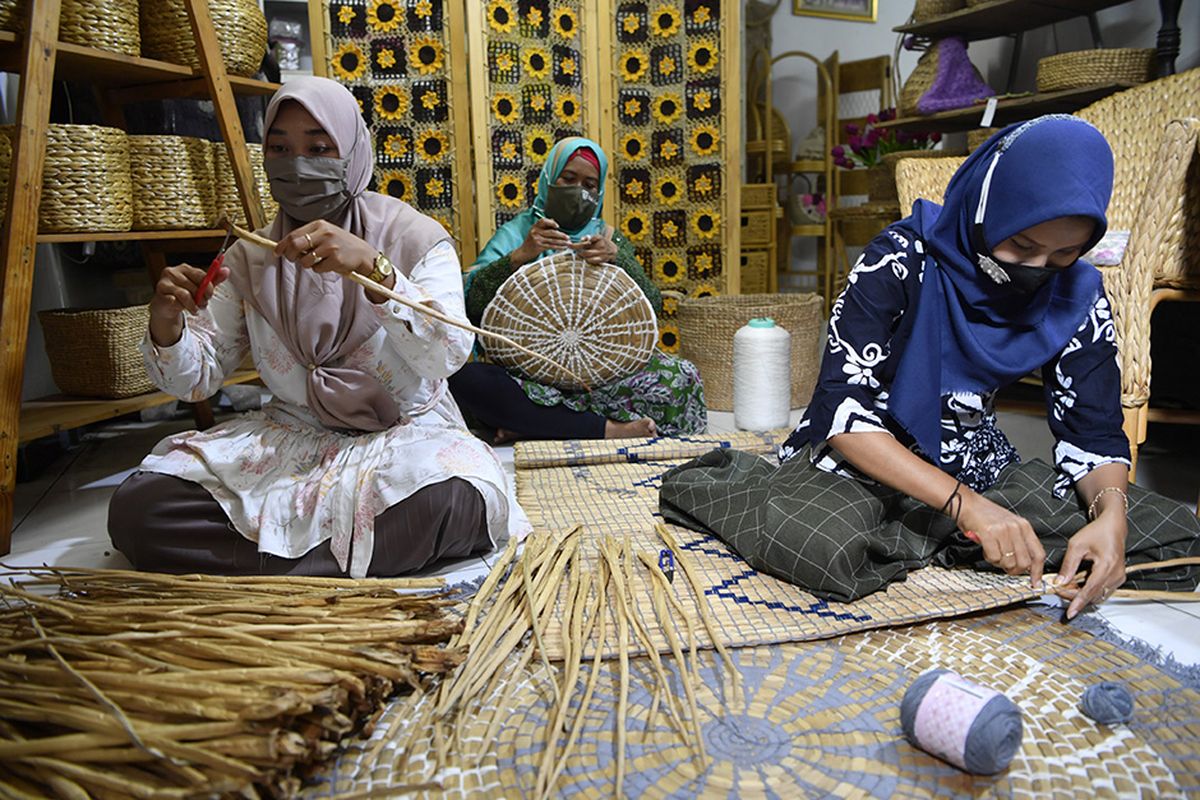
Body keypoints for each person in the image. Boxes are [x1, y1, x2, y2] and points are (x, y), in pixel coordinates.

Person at [660, 116, 1200, 618]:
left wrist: (1109, 517)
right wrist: (968, 510)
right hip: (870, 459)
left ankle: (928, 537)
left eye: (1063, 256)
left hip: (976, 460)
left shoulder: (1077, 295)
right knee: (823, 548)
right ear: (988, 209)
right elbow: (844, 414)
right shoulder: (898, 260)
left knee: (1172, 535)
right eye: (1021, 245)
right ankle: (940, 532)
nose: (1037, 272)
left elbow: (1094, 431)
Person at [108, 76, 527, 577]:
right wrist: (168, 325)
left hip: (403, 437)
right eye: (280, 148)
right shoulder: (251, 256)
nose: (297, 164)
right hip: (293, 441)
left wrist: (376, 270)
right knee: (139, 508)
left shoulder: (413, 238)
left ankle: (267, 560)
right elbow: (197, 380)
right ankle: (337, 560)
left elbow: (446, 356)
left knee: (458, 497)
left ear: (351, 151)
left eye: (319, 147)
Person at [449, 137, 707, 443]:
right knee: (463, 380)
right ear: (548, 179)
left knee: (680, 377)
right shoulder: (517, 233)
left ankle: (536, 426)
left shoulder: (608, 238)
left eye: (589, 184)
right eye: (568, 179)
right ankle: (609, 429)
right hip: (529, 374)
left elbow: (651, 306)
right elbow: (469, 305)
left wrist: (617, 258)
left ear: (599, 193)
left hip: (601, 375)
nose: (578, 190)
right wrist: (521, 255)